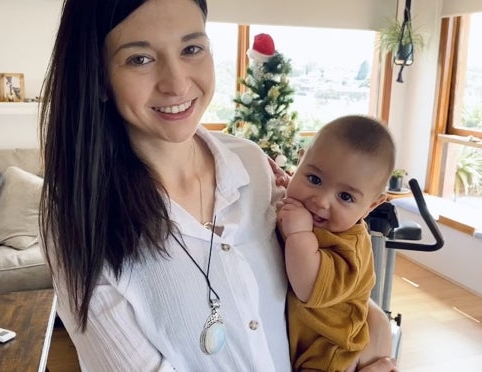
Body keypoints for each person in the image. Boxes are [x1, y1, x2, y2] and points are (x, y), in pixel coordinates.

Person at [38, 0, 398, 370]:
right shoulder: (79, 217)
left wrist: (377, 335)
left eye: (191, 49)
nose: (177, 84)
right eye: (140, 59)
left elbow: (336, 289)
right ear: (98, 77)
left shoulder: (253, 165)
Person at [278, 115, 396, 372]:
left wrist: (299, 233)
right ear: (299, 163)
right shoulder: (310, 213)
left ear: (371, 206)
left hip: (330, 355)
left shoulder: (348, 247)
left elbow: (307, 286)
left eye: (345, 196)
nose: (321, 201)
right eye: (314, 179)